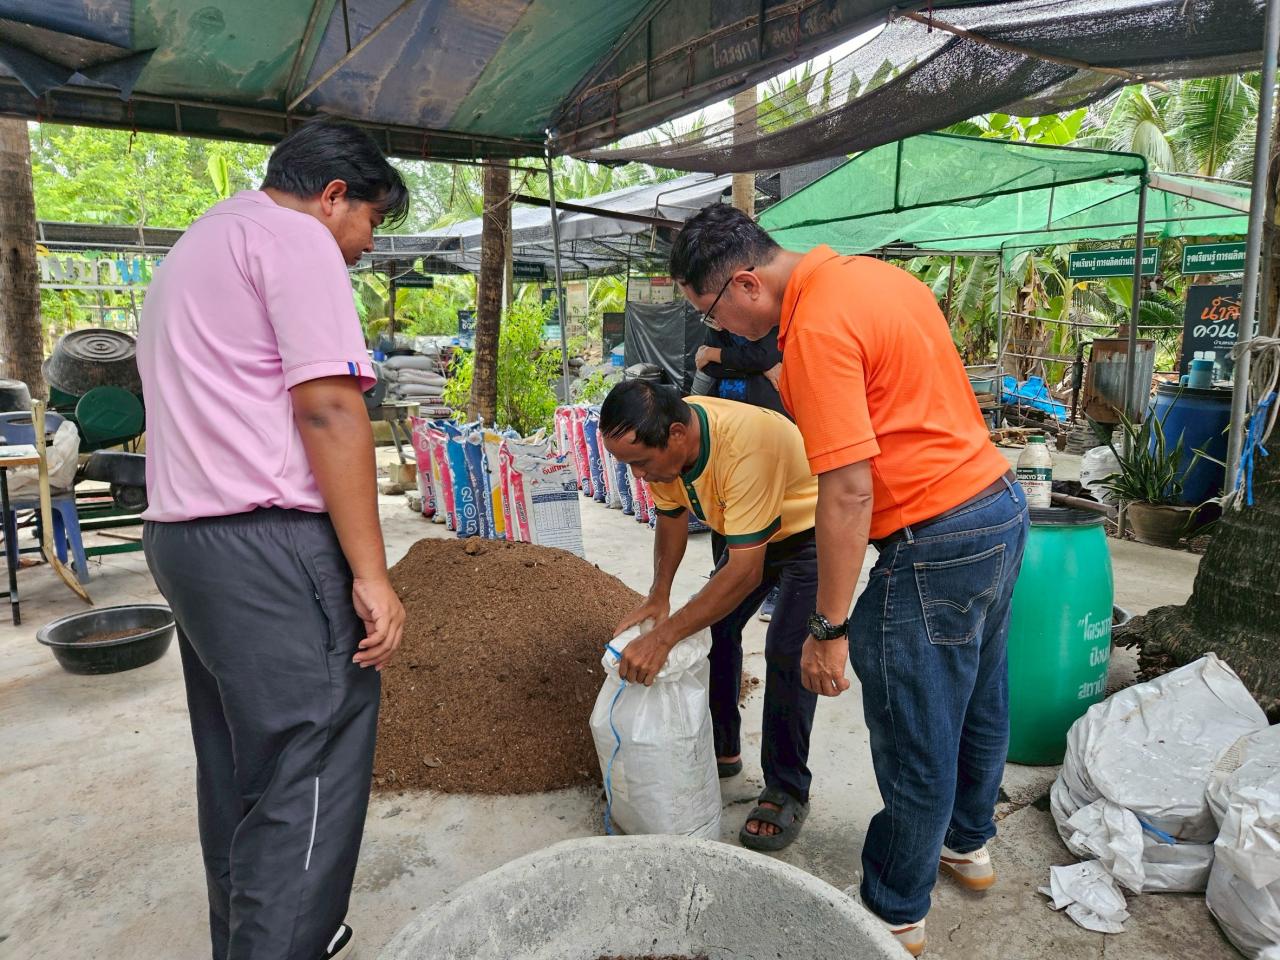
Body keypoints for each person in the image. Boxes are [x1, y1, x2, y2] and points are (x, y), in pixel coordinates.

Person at [669, 204, 1028, 958]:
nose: (723, 331)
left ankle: (894, 912)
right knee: (979, 694)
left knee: (914, 729)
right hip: (996, 507)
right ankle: (967, 842)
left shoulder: (817, 330)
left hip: (930, 534)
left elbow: (847, 492)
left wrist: (828, 629)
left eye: (714, 311)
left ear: (744, 283)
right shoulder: (875, 277)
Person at [137, 118, 409, 960]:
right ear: (334, 198)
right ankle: (286, 938)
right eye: (368, 222)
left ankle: (252, 940)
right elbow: (329, 407)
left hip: (186, 543)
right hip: (269, 546)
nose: (363, 247)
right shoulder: (295, 241)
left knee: (239, 770)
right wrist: (372, 571)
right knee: (312, 761)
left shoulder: (199, 244)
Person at [602, 379, 820, 851]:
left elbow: (744, 572)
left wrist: (662, 639)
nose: (638, 476)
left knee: (788, 649)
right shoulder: (669, 450)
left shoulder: (744, 446)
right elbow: (672, 518)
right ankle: (723, 748)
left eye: (640, 463)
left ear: (677, 435)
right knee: (714, 629)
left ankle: (786, 788)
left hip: (808, 531)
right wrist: (659, 596)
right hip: (745, 525)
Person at [696, 320, 787, 622]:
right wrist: (758, 366)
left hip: (765, 428)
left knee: (771, 507)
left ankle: (773, 586)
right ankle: (722, 579)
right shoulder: (717, 322)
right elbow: (708, 368)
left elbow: (765, 355)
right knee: (723, 505)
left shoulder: (769, 318)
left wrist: (716, 355)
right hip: (723, 430)